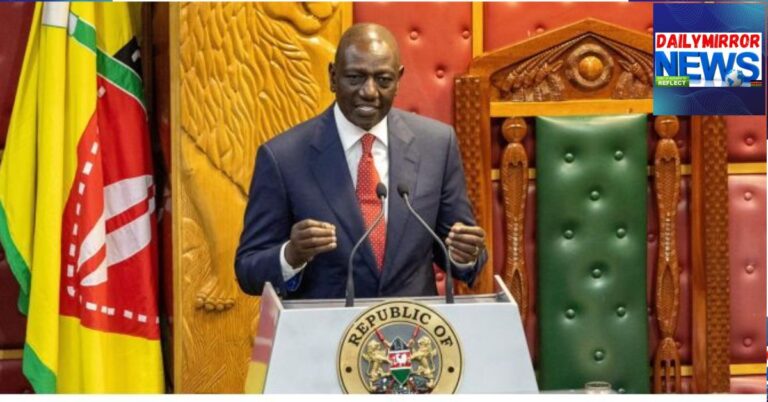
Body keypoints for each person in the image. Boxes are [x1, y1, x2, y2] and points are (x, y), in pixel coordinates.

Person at [235, 23, 486, 299]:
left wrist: (465, 255)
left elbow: (459, 252)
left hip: (411, 335)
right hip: (326, 336)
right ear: (332, 76)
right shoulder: (284, 157)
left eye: (383, 80)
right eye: (355, 77)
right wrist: (291, 255)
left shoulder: (437, 145)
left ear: (398, 80)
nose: (369, 91)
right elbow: (248, 270)